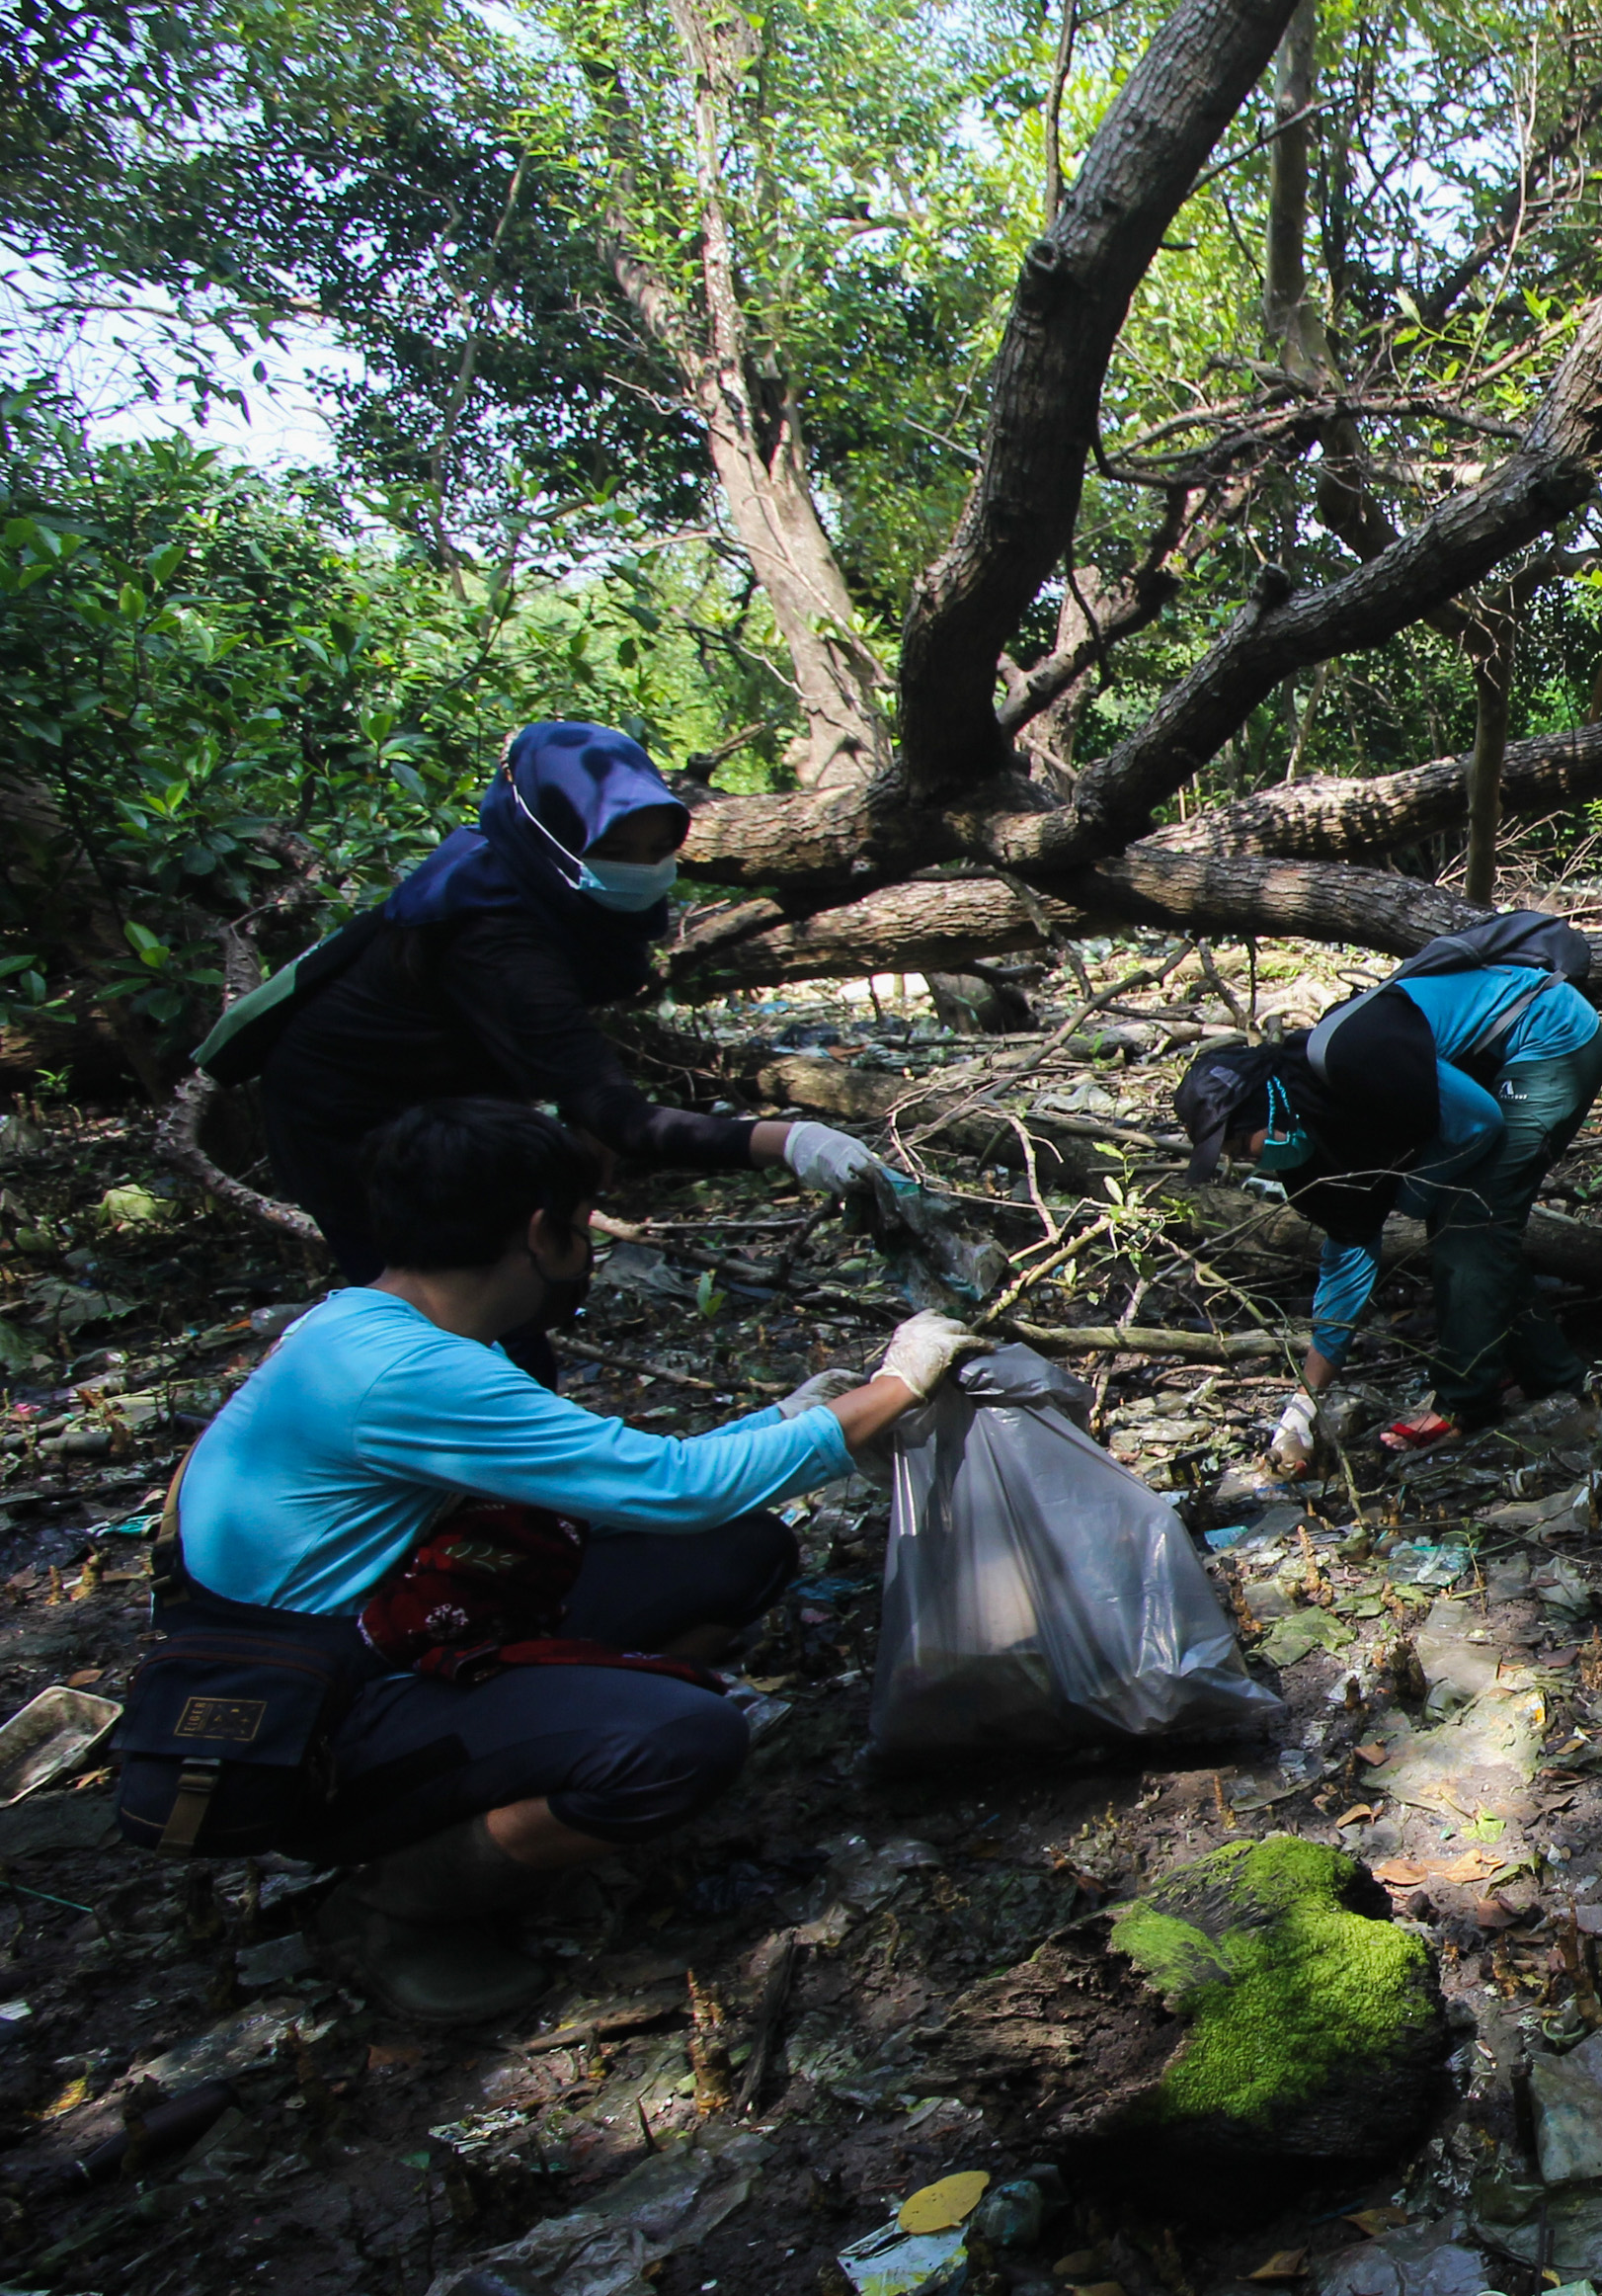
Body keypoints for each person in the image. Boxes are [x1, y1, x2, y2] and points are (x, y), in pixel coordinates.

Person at [112, 1099, 979, 2021]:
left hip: (387, 1628)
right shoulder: (414, 1373)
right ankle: (395, 1905)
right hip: (318, 1721)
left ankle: (556, 1760)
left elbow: (621, 1483)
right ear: (538, 1231)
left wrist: (789, 1420)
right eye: (581, 1227)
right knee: (685, 1742)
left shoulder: (362, 1326)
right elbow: (679, 1487)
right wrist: (893, 1387)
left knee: (738, 1552)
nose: (587, 1252)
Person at [245, 721, 890, 1382]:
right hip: (347, 1116)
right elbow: (622, 1116)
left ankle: (514, 1427)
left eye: (656, 848)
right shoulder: (494, 930)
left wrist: (581, 1121)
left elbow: (559, 1050)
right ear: (553, 834)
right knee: (460, 1301)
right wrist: (795, 1142)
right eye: (616, 847)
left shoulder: (535, 883)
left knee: (512, 1293)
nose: (640, 868)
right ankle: (492, 1448)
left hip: (457, 1091)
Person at [1173, 938, 1602, 1464]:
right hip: (1485, 1075)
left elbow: (1478, 1123)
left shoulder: (1350, 1056)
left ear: (1266, 1108)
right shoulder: (1310, 1164)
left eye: (1242, 1146)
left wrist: (1413, 1191)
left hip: (1546, 1032)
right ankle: (1555, 1377)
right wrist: (1302, 1411)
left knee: (1467, 1218)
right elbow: (1345, 1273)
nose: (1247, 1164)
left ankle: (1462, 1403)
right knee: (1468, 1220)